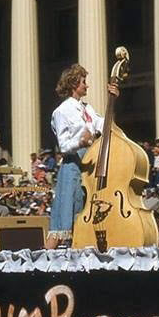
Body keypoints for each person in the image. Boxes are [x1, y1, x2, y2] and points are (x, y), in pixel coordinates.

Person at [46, 64, 120, 249]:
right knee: (66, 214)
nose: (87, 86)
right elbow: (63, 145)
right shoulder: (61, 111)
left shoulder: (87, 108)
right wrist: (80, 141)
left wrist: (113, 100)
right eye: (83, 82)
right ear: (73, 84)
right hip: (73, 165)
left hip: (91, 163)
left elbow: (104, 125)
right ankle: (45, 260)